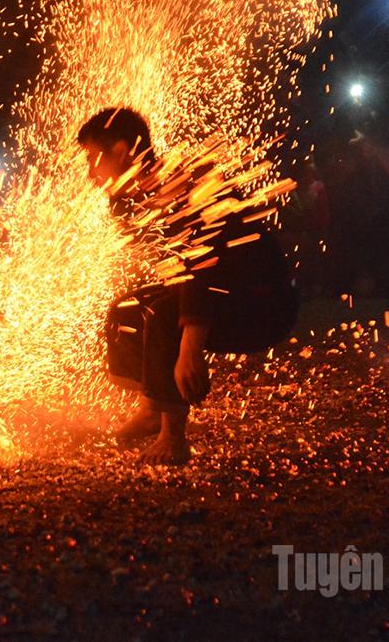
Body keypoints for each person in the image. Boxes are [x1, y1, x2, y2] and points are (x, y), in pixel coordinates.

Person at [77, 107, 298, 464]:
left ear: (120, 151)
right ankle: (154, 408)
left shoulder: (184, 187)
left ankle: (173, 439)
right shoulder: (128, 201)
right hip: (215, 292)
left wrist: (189, 347)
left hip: (264, 302)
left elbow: (202, 265)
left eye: (93, 158)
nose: (89, 173)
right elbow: (174, 273)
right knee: (127, 312)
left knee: (162, 313)